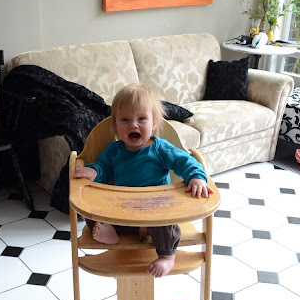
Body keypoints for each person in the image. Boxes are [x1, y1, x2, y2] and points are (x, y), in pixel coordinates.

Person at [73, 83, 213, 278]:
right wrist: (93, 172)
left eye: (141, 119)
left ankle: (167, 256)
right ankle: (111, 232)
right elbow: (103, 168)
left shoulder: (160, 148)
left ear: (154, 123)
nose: (133, 125)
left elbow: (184, 161)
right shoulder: (114, 150)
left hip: (154, 213)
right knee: (91, 212)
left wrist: (196, 177)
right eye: (125, 120)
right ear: (115, 126)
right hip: (122, 211)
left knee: (168, 221)